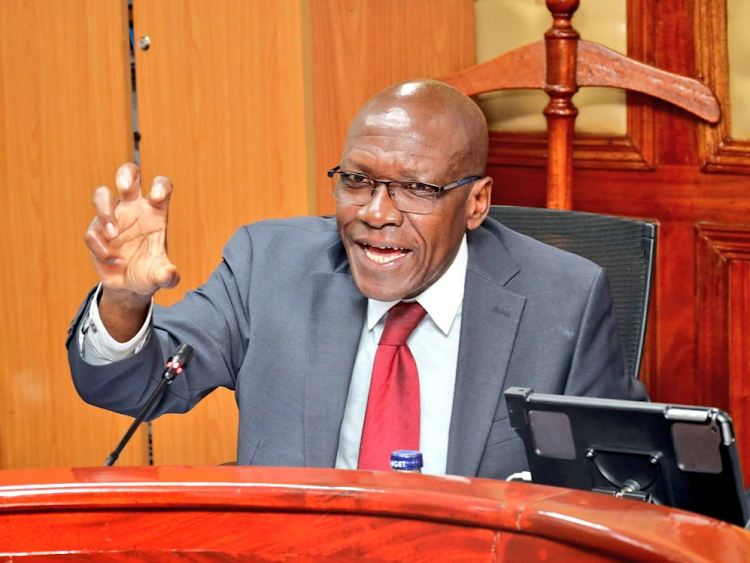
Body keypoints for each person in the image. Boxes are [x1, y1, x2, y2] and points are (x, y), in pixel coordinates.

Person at [67, 79, 647, 479]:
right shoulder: (268, 265)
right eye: (358, 180)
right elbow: (133, 387)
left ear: (476, 204)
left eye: (417, 189)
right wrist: (124, 298)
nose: (376, 212)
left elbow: (617, 485)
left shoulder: (563, 300)